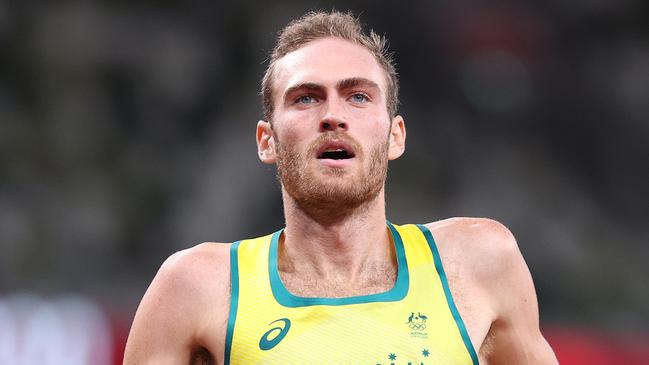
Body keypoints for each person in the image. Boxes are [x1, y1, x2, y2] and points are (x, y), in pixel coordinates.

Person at [124, 10, 558, 365]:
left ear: (395, 136)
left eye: (358, 97)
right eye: (306, 98)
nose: (333, 116)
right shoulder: (197, 287)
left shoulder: (480, 263)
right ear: (267, 141)